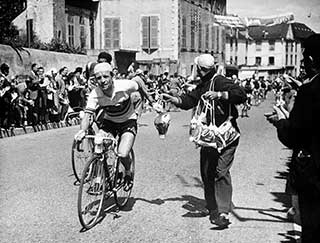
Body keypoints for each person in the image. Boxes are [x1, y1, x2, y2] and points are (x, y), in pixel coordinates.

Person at [162, 54, 247, 227]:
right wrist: (176, 100)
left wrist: (220, 94)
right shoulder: (203, 84)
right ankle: (212, 207)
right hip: (209, 136)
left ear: (199, 69)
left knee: (220, 172)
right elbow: (190, 100)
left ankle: (222, 211)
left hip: (226, 137)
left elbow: (240, 94)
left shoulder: (220, 81)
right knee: (207, 173)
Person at [266, 33, 320, 243]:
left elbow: (294, 136)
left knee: (312, 230)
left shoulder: (310, 90)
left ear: (312, 59)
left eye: (305, 57)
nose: (303, 62)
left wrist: (281, 120)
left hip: (315, 174)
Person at [74, 63, 159, 183]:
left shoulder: (124, 85)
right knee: (100, 144)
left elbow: (139, 83)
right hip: (110, 122)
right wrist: (82, 131)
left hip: (128, 121)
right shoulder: (95, 94)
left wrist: (152, 101)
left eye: (105, 76)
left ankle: (128, 171)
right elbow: (87, 115)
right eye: (99, 78)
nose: (103, 81)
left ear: (112, 76)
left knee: (123, 154)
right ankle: (104, 174)